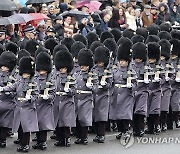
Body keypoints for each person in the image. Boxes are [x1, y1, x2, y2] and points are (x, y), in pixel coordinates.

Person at [1, 57, 39, 152]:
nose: (25, 75)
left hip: (28, 108)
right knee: (21, 128)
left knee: (26, 129)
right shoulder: (19, 82)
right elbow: (11, 87)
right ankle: (22, 143)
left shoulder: (33, 83)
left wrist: (30, 98)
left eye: (27, 73)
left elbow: (36, 95)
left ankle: (25, 145)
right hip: (19, 108)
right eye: (24, 73)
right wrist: (2, 89)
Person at [32, 52, 55, 150]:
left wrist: (48, 97)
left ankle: (43, 142)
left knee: (44, 124)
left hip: (45, 104)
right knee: (37, 123)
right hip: (37, 103)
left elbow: (53, 93)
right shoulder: (35, 78)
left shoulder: (50, 79)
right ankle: (38, 141)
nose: (42, 71)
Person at [112, 42, 135, 142]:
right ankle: (121, 130)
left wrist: (131, 86)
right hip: (117, 94)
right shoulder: (115, 71)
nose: (121, 63)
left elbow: (135, 83)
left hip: (126, 94)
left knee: (125, 114)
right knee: (118, 115)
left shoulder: (131, 72)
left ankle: (126, 130)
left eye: (124, 61)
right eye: (120, 61)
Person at [74, 49, 97, 145]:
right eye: (81, 65)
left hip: (86, 98)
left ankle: (84, 137)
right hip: (77, 98)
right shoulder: (77, 74)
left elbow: (96, 88)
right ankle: (79, 136)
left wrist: (90, 86)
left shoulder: (92, 75)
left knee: (84, 119)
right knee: (78, 118)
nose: (82, 67)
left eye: (84, 65)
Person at [54, 49, 76, 147]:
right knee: (58, 121)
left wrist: (69, 91)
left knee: (65, 121)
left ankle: (67, 138)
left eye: (63, 68)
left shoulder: (70, 78)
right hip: (57, 100)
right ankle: (60, 139)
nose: (62, 70)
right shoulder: (55, 77)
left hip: (67, 100)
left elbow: (74, 90)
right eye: (60, 68)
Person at [92, 46, 112, 143]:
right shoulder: (93, 70)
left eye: (101, 62)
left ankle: (101, 135)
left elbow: (110, 83)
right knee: (95, 115)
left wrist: (105, 85)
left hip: (103, 95)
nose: (100, 64)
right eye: (98, 62)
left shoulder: (107, 71)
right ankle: (97, 133)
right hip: (95, 94)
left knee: (101, 116)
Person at [0, 51, 17, 148]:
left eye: (5, 66)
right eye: (2, 66)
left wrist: (9, 92)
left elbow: (17, 90)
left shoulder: (14, 77)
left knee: (4, 124)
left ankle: (2, 140)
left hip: (8, 102)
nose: (3, 68)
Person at [132, 42, 149, 137]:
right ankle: (135, 129)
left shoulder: (146, 67)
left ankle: (141, 128)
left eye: (139, 57)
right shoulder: (132, 66)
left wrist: (147, 80)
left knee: (140, 111)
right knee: (134, 111)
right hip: (134, 91)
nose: (138, 59)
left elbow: (150, 78)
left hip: (142, 91)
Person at [146, 42, 161, 135]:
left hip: (156, 91)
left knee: (155, 110)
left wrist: (159, 80)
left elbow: (163, 78)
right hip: (148, 90)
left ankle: (157, 125)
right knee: (147, 111)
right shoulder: (145, 67)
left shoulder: (159, 67)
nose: (150, 60)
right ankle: (150, 127)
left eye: (152, 58)